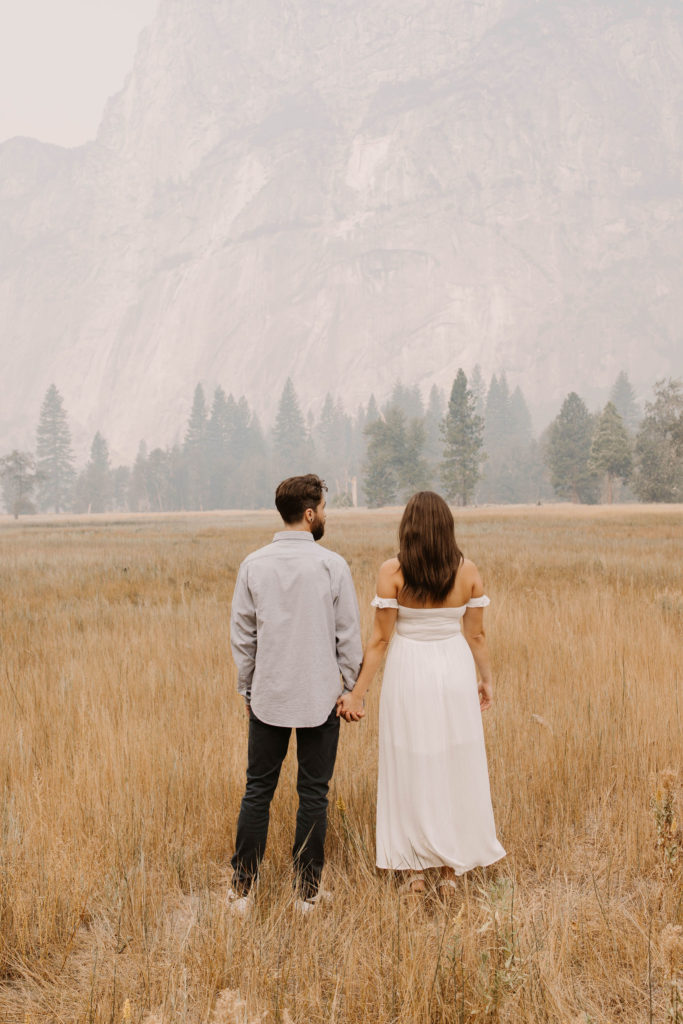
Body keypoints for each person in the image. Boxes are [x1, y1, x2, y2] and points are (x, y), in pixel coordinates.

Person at [336, 491, 505, 895]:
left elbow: (379, 640)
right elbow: (476, 634)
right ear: (447, 527)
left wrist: (358, 694)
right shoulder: (468, 572)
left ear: (407, 528)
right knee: (454, 763)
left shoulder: (391, 572)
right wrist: (486, 679)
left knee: (409, 762)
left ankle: (413, 871)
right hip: (453, 669)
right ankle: (449, 871)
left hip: (408, 670)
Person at [229, 474, 362, 915]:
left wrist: (247, 686)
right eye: (323, 508)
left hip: (268, 694)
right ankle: (306, 894)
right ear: (309, 513)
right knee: (313, 794)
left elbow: (243, 637)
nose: (325, 515)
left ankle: (242, 892)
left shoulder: (253, 565)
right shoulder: (332, 565)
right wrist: (345, 686)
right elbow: (349, 637)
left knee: (258, 790)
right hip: (320, 695)